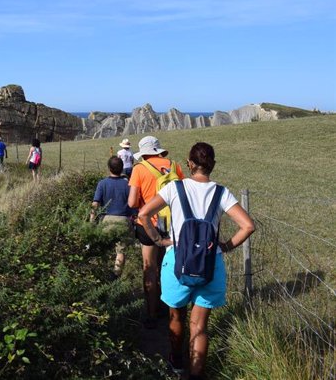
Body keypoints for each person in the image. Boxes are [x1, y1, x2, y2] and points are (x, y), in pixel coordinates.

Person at [138, 142, 254, 379]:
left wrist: (159, 240)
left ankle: (177, 360)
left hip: (176, 262)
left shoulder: (174, 188)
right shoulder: (222, 193)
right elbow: (248, 226)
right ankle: (196, 374)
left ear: (189, 163)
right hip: (210, 265)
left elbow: (143, 214)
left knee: (176, 316)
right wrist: (225, 246)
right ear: (213, 165)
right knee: (199, 326)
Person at [128, 135, 185, 329]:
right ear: (159, 150)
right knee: (168, 268)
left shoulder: (139, 169)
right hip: (172, 225)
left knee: (149, 269)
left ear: (143, 153)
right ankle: (173, 310)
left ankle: (152, 313)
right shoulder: (175, 166)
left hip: (148, 225)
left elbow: (132, 202)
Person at [90, 156, 135, 276]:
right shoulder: (129, 185)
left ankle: (102, 274)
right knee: (121, 251)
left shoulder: (102, 183)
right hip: (124, 220)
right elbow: (134, 205)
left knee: (104, 249)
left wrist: (91, 221)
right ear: (122, 169)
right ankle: (115, 276)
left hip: (106, 220)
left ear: (109, 168)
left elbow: (95, 204)